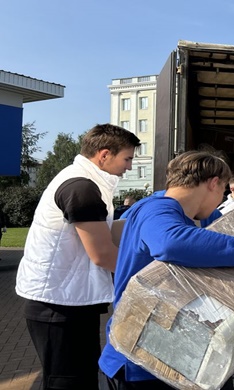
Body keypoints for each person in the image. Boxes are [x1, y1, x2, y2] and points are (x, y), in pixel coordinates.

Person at [98, 150, 234, 390]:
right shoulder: (157, 209)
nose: (221, 201)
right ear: (214, 184)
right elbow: (171, 242)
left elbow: (224, 237)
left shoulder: (178, 210)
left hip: (168, 352)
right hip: (140, 360)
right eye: (223, 192)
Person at [15, 124, 141, 389]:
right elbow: (102, 254)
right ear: (104, 154)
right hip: (57, 306)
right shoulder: (81, 188)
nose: (129, 166)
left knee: (79, 377)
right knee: (68, 382)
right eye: (127, 158)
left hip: (68, 300)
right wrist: (149, 279)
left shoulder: (86, 181)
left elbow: (103, 233)